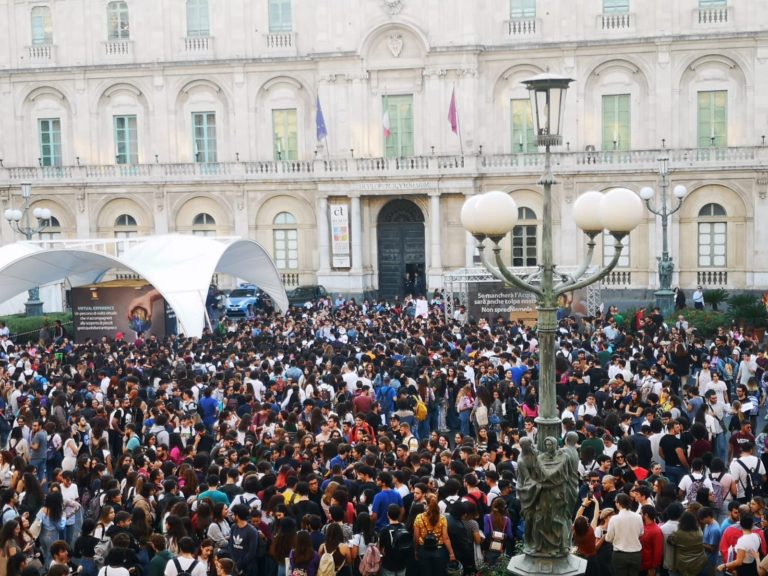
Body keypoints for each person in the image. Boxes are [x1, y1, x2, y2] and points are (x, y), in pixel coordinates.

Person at [413, 494, 455, 576]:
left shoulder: (419, 517)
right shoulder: (442, 518)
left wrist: (416, 551)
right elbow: (446, 538)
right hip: (439, 550)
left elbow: (416, 538)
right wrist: (451, 553)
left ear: (426, 503)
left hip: (423, 550)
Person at [604, 493, 643, 576]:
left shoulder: (614, 519)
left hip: (619, 555)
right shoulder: (638, 517)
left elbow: (608, 538)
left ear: (618, 503)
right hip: (635, 555)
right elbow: (641, 533)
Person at [668, 511, 709, 576]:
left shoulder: (679, 534)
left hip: (684, 564)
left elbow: (670, 540)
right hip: (700, 561)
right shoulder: (699, 531)